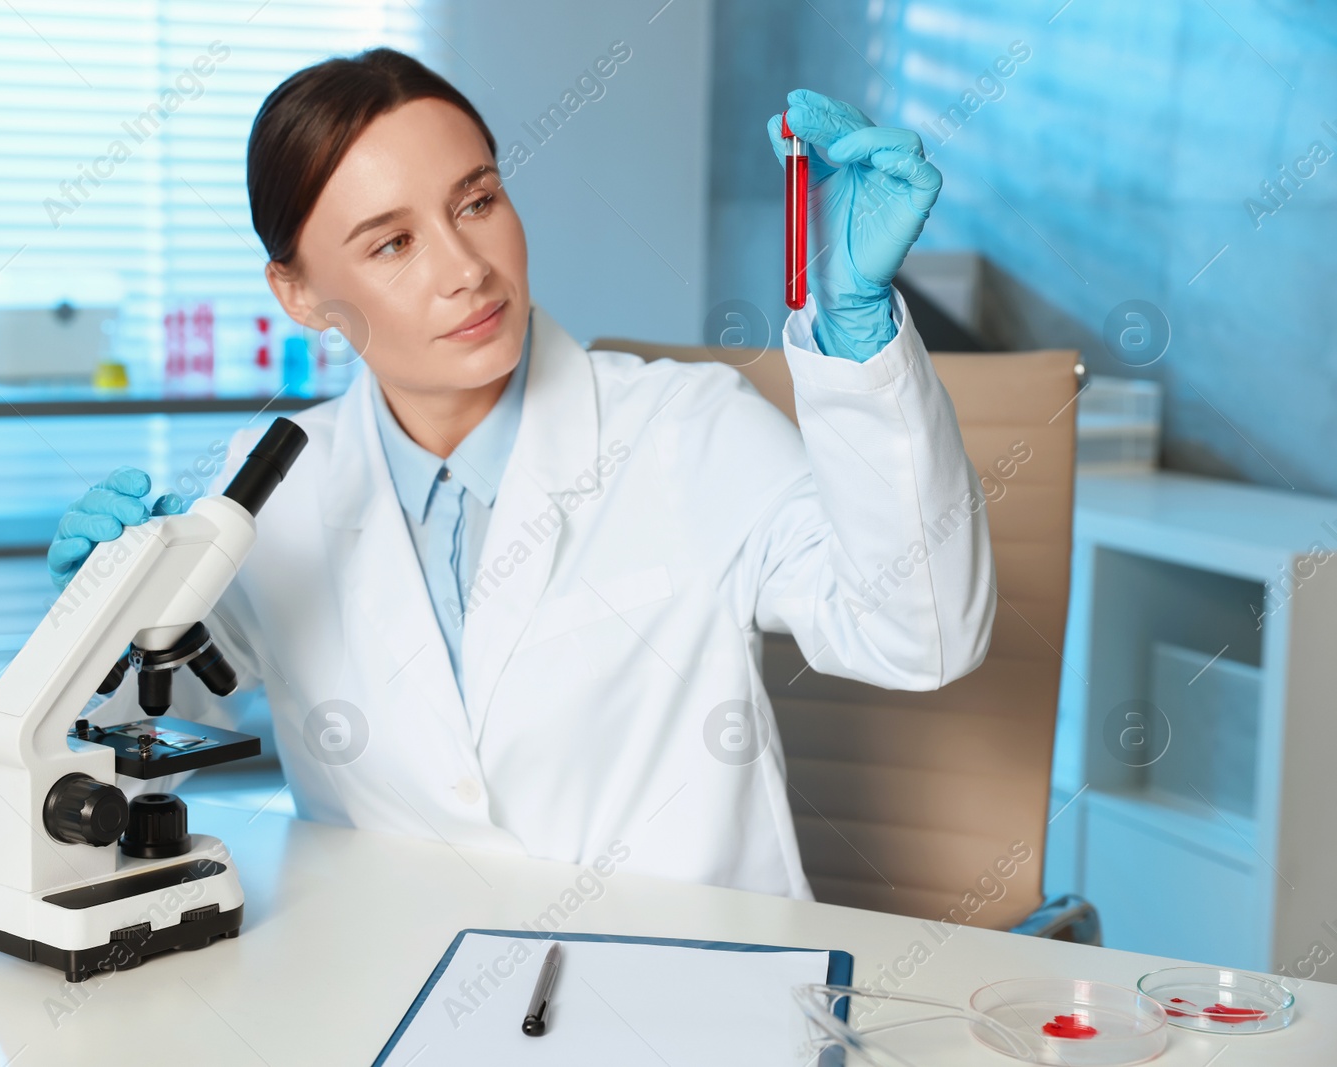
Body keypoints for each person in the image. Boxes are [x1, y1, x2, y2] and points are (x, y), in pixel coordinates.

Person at [49, 49, 994, 900]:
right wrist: (100, 624)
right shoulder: (272, 494)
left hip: (685, 1010)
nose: (467, 267)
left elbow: (919, 636)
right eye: (392, 242)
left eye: (477, 202)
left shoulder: (687, 429)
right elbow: (116, 769)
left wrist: (861, 335)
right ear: (298, 294)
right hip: (381, 1002)